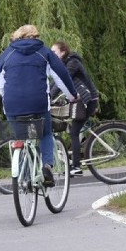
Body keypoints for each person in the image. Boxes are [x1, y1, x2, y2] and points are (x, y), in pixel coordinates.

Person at [0, 25, 77, 186]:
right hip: (38, 102)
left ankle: (24, 179)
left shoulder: (6, 54)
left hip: (12, 103)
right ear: (35, 36)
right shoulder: (44, 52)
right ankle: (47, 167)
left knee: (20, 137)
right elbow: (61, 76)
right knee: (45, 132)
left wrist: (8, 96)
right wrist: (72, 96)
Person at [50, 40, 100, 176]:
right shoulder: (63, 64)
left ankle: (76, 167)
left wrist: (48, 97)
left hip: (88, 101)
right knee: (72, 129)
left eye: (54, 52)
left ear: (63, 52)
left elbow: (62, 81)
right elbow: (54, 82)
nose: (52, 55)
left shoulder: (73, 63)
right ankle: (74, 162)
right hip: (79, 101)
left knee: (74, 132)